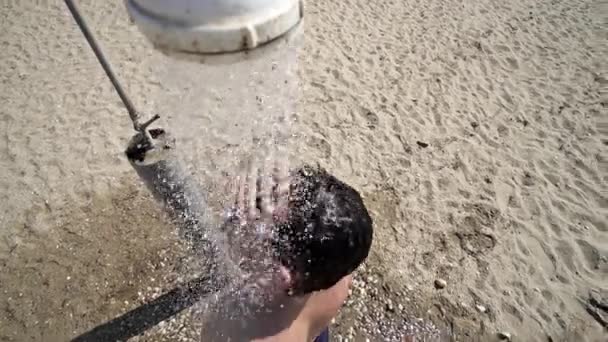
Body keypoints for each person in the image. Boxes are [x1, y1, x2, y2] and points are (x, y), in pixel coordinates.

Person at [200, 163, 374, 341]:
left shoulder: (238, 332)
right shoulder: (335, 270)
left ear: (284, 276)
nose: (247, 212)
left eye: (257, 213)